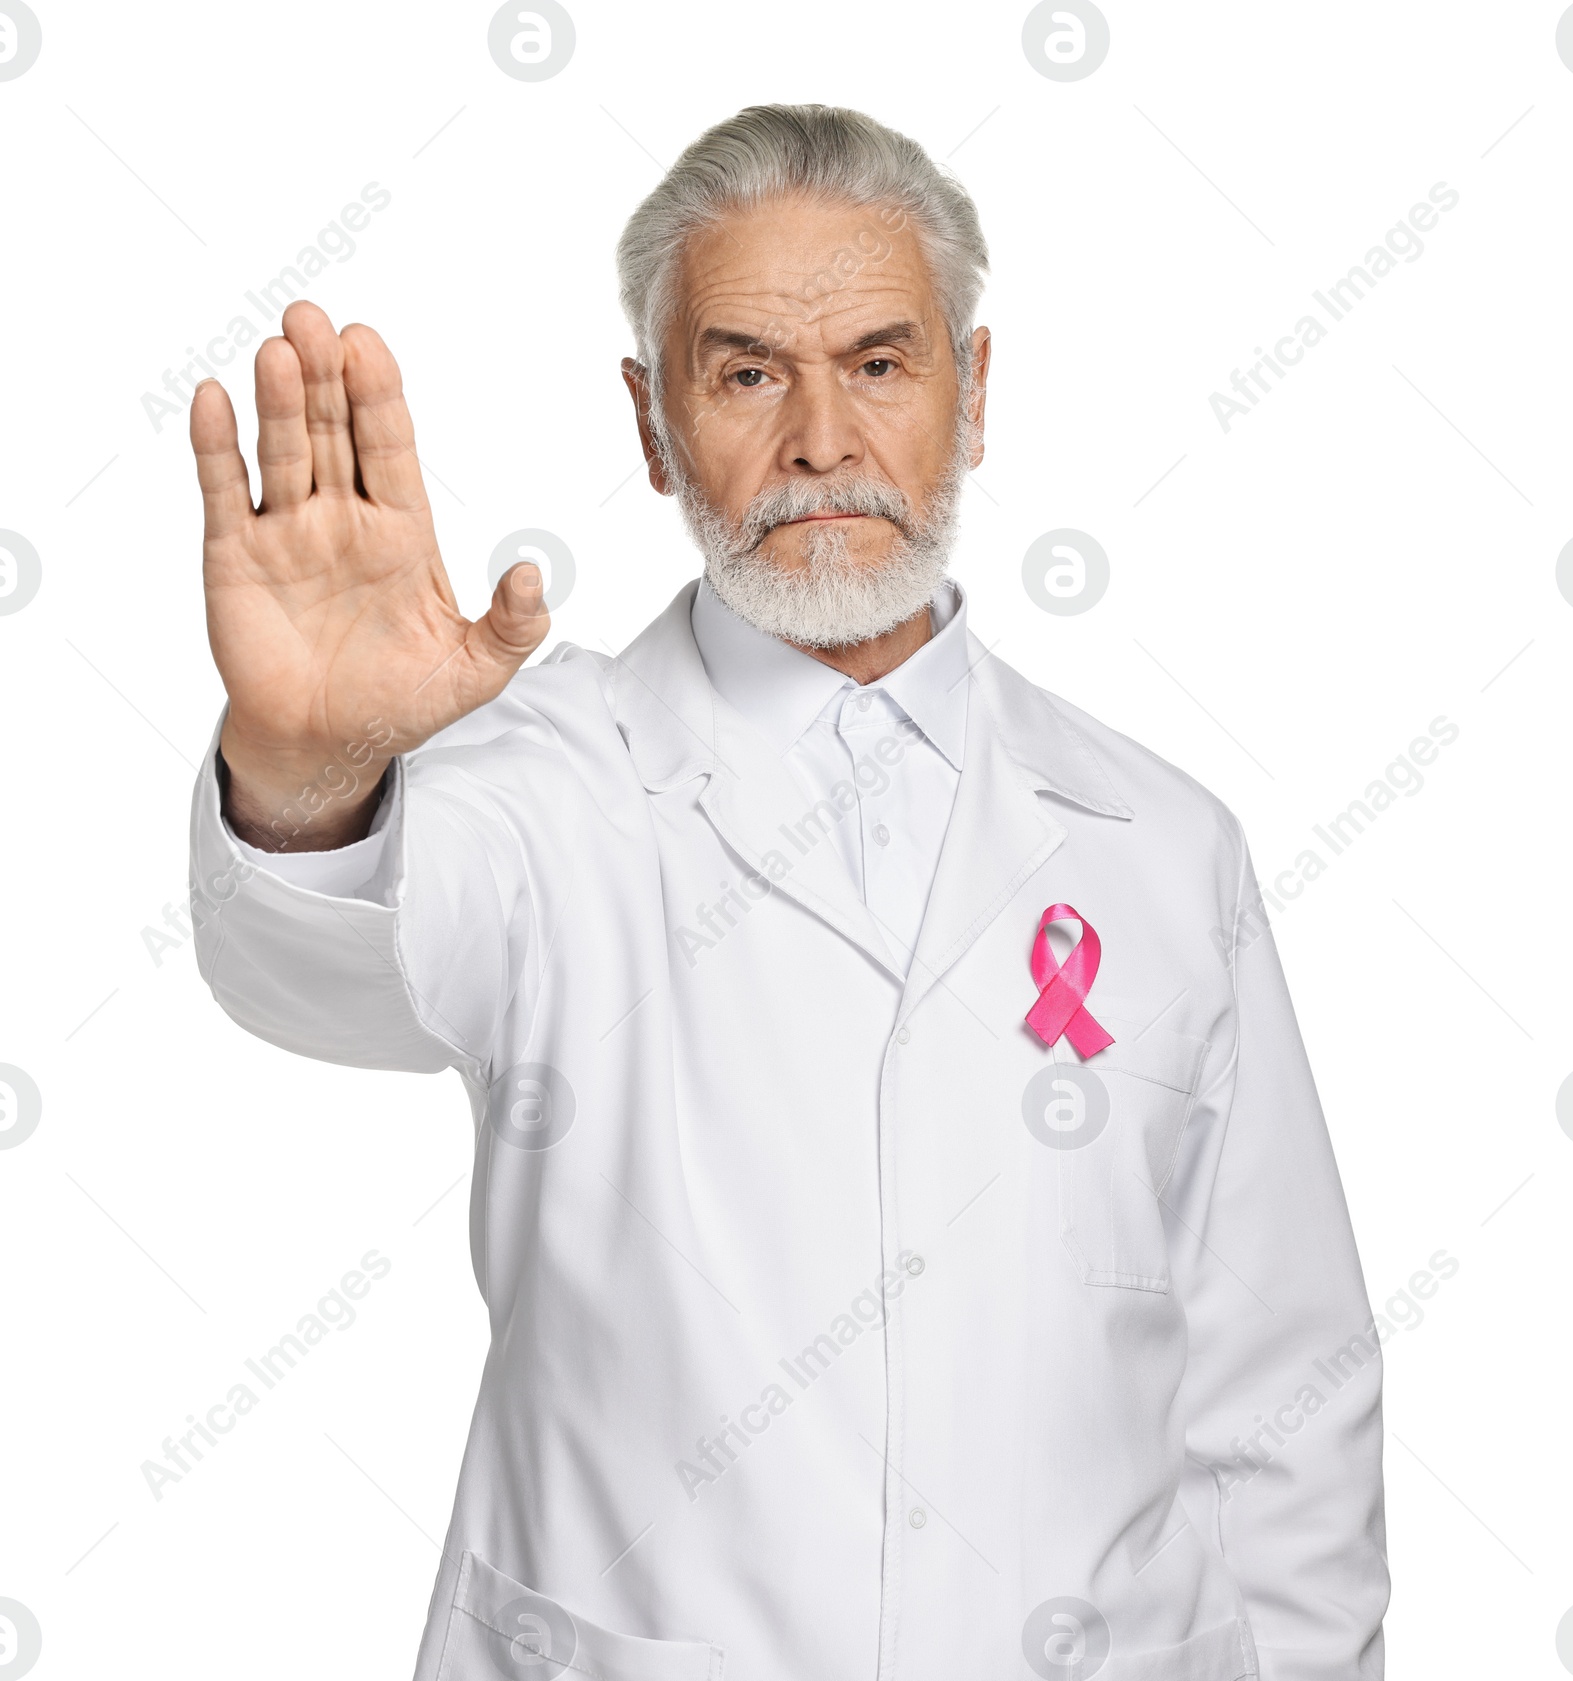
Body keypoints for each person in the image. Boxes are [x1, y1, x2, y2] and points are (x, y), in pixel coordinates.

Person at [187, 104, 1387, 1681]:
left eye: (880, 364)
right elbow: (330, 967)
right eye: (748, 370)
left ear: (972, 396)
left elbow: (1282, 1392)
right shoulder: (539, 780)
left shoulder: (1161, 841)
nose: (821, 440)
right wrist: (310, 773)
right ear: (651, 423)